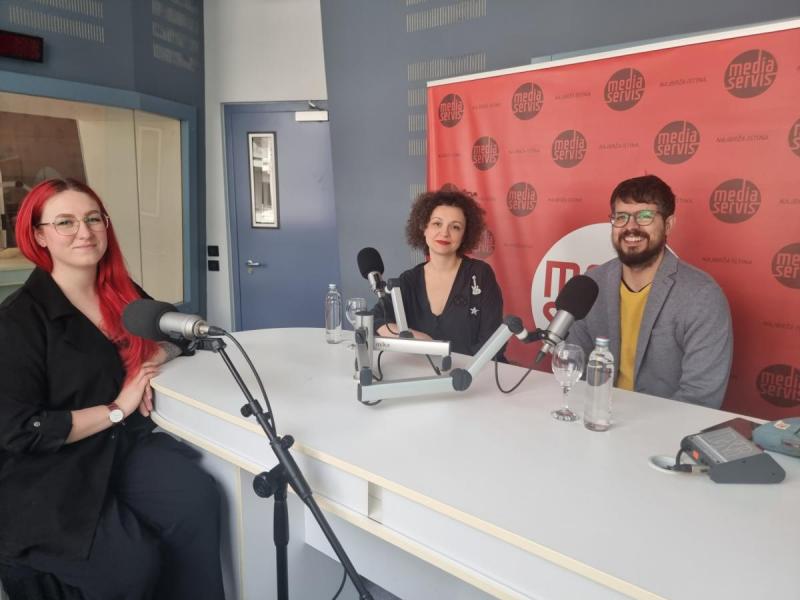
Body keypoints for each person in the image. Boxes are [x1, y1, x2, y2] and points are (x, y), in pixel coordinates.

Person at [0, 179, 224, 599]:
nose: (84, 232)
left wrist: (153, 355)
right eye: (65, 222)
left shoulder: (123, 295)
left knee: (195, 500)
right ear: (39, 235)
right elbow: (20, 429)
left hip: (120, 448)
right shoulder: (17, 322)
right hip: (48, 471)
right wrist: (118, 407)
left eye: (92, 219)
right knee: (130, 567)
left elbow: (178, 335)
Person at [569, 174, 733, 409]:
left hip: (664, 426)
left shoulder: (702, 296)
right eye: (621, 217)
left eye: (644, 216)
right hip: (594, 416)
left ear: (668, 224)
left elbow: (700, 397)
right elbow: (575, 367)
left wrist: (639, 427)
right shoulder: (591, 285)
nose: (631, 227)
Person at [374, 188, 503, 356]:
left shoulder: (480, 275)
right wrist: (421, 341)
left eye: (455, 227)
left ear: (465, 235)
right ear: (424, 228)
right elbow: (377, 319)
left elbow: (493, 342)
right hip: (421, 369)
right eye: (437, 224)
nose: (445, 233)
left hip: (474, 370)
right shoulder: (409, 280)